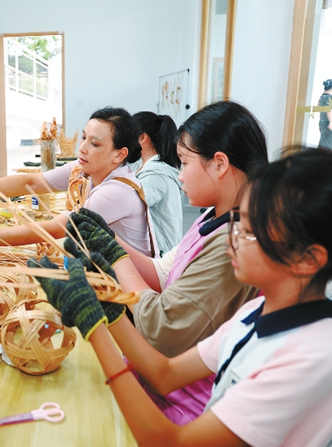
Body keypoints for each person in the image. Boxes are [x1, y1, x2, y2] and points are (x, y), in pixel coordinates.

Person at [32, 148, 332, 445]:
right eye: (238, 224)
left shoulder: (309, 359)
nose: (233, 239)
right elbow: (165, 373)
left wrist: (94, 326)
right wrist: (108, 310)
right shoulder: (256, 310)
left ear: (308, 259)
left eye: (250, 233)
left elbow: (169, 441)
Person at [65, 101, 268, 423]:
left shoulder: (236, 242)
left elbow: (162, 326)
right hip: (165, 371)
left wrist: (115, 259)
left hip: (184, 397)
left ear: (219, 164)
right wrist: (110, 240)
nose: (180, 175)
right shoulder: (212, 215)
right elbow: (163, 273)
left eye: (185, 163)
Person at [0, 106, 158, 257]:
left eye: (95, 144)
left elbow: (51, 229)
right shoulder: (85, 170)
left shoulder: (116, 192)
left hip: (128, 290)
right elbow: (34, 182)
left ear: (119, 155)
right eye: (84, 138)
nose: (82, 147)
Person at [131, 111, 182, 255]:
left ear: (142, 138)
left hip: (161, 253)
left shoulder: (155, 175)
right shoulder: (142, 165)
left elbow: (131, 205)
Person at [318, 79, 332, 150]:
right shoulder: (329, 97)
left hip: (322, 121)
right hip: (328, 122)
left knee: (324, 138)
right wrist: (331, 121)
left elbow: (318, 106)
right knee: (328, 141)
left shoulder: (322, 96)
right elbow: (328, 110)